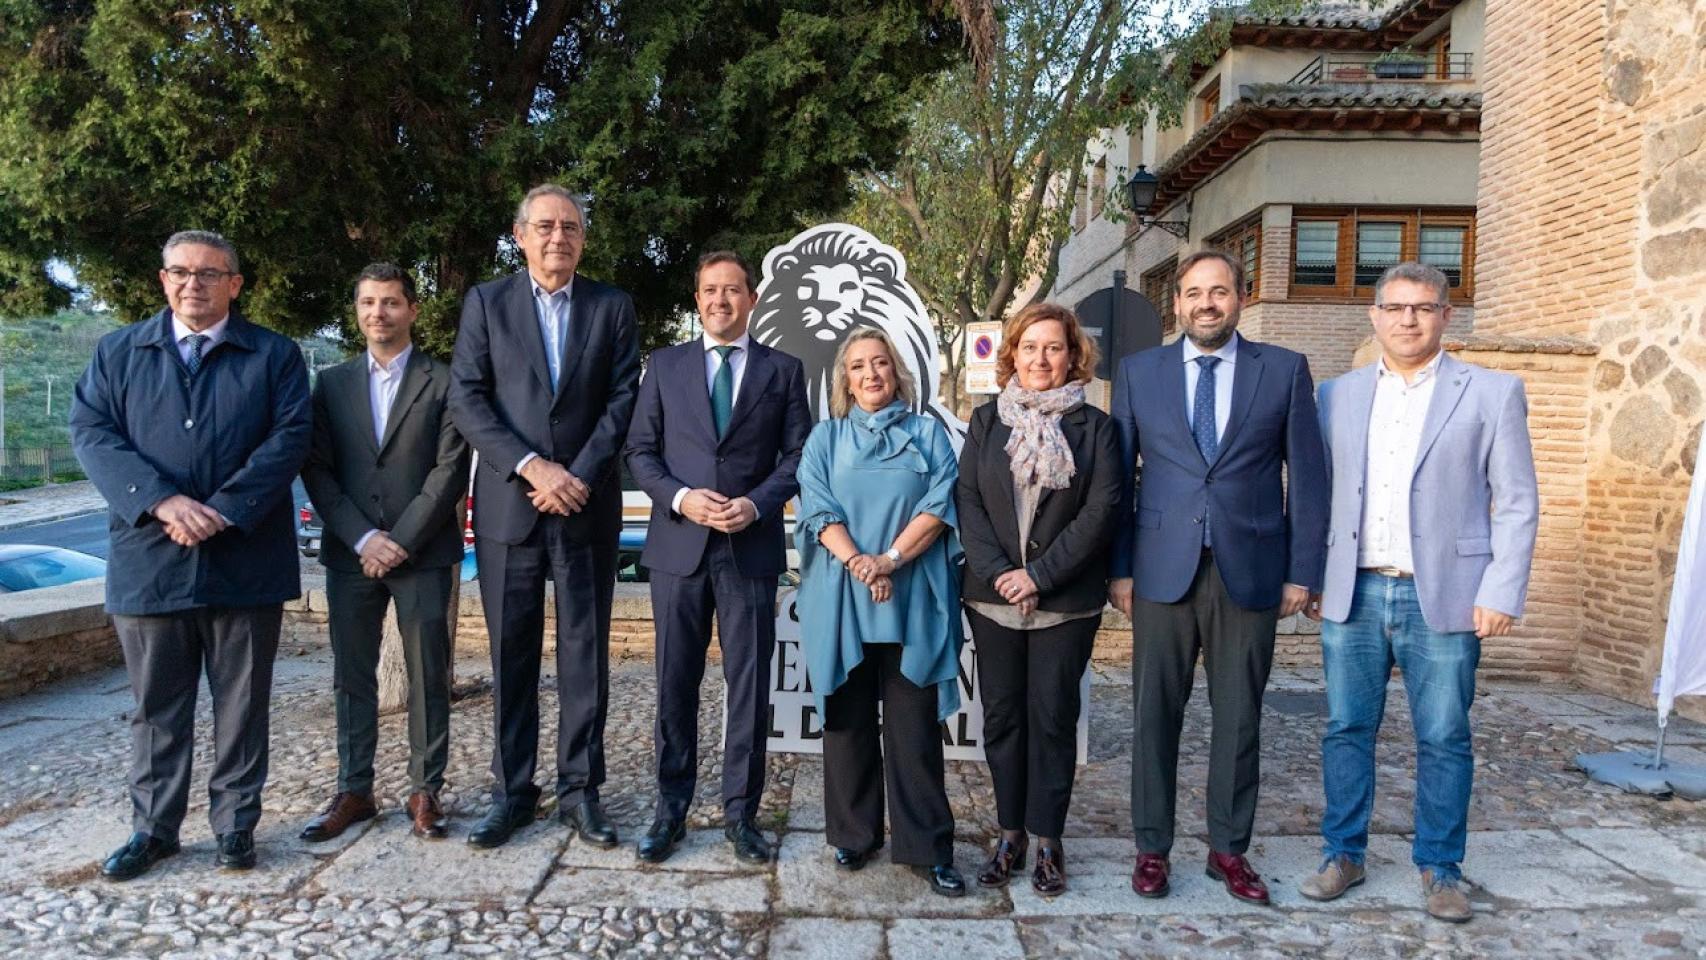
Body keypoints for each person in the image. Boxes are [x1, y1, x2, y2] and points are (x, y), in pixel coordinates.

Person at [1299, 262, 1538, 923]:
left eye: (1423, 307)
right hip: (1356, 591)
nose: (1408, 319)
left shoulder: (1491, 392)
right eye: (1396, 307)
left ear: (1445, 317)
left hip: (1451, 595)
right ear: (1374, 316)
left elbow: (1516, 500)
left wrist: (1502, 588)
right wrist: (1315, 576)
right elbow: (1317, 498)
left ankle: (1441, 868)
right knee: (1347, 729)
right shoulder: (1335, 396)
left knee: (1444, 735)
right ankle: (1342, 854)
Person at [70, 230, 311, 879]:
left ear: (235, 282)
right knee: (156, 708)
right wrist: (160, 501)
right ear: (162, 279)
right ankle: (154, 830)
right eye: (180, 272)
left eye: (209, 273)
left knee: (242, 704)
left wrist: (224, 508)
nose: (193, 284)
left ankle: (236, 826)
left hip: (245, 557)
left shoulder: (274, 355)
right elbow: (91, 432)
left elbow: (291, 437)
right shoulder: (117, 353)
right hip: (151, 559)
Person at [1108, 250, 1328, 905]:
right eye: (1195, 292)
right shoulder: (1139, 372)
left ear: (1240, 298)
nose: (1207, 303)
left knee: (1240, 719)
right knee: (1154, 717)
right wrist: (1119, 569)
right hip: (1159, 572)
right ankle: (1152, 848)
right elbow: (1120, 480)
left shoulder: (1283, 371)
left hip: (1252, 572)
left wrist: (1302, 572)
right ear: (1177, 303)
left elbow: (1309, 479)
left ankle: (1228, 851)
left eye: (1220, 291)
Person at [449, 184, 641, 849]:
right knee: (512, 655)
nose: (559, 237)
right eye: (546, 226)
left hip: (585, 506)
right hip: (512, 506)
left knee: (585, 654)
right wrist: (533, 467)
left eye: (571, 227)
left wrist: (577, 473)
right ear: (520, 233)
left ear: (583, 238)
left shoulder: (611, 307)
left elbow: (623, 400)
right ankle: (512, 792)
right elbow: (468, 399)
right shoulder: (486, 304)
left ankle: (582, 791)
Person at [623, 250, 811, 864]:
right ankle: (669, 810)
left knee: (749, 686)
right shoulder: (665, 365)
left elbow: (798, 456)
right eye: (709, 291)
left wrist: (756, 505)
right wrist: (680, 498)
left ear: (752, 299)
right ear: (697, 299)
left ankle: (741, 814)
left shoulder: (784, 371)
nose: (720, 301)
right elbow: (641, 452)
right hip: (679, 547)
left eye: (732, 291)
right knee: (674, 682)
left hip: (748, 546)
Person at [299, 263, 471, 844]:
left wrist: (399, 539)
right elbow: (317, 469)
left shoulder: (444, 381)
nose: (380, 313)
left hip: (421, 552)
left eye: (392, 302)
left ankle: (426, 790)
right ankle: (354, 789)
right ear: (357, 311)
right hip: (352, 556)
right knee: (352, 675)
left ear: (412, 310)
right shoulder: (331, 383)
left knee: (427, 674)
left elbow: (450, 471)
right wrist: (363, 538)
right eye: (369, 302)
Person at [794, 328, 966, 897]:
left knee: (914, 726)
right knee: (846, 719)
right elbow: (817, 504)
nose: (871, 374)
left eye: (881, 363)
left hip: (912, 594)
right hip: (843, 595)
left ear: (898, 372)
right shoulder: (826, 438)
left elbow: (940, 502)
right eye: (859, 366)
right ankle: (853, 834)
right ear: (845, 378)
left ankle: (927, 845)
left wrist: (889, 561)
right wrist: (861, 566)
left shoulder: (928, 434)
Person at [956, 303, 1120, 897]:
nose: (1041, 359)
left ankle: (1048, 839)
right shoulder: (985, 422)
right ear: (1013, 356)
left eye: (1053, 348)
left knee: (1052, 720)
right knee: (1001, 719)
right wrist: (1001, 571)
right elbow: (968, 500)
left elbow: (1101, 512)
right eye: (1029, 347)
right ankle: (1010, 834)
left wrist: (1040, 575)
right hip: (992, 599)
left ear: (1073, 355)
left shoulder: (1097, 428)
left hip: (1064, 603)